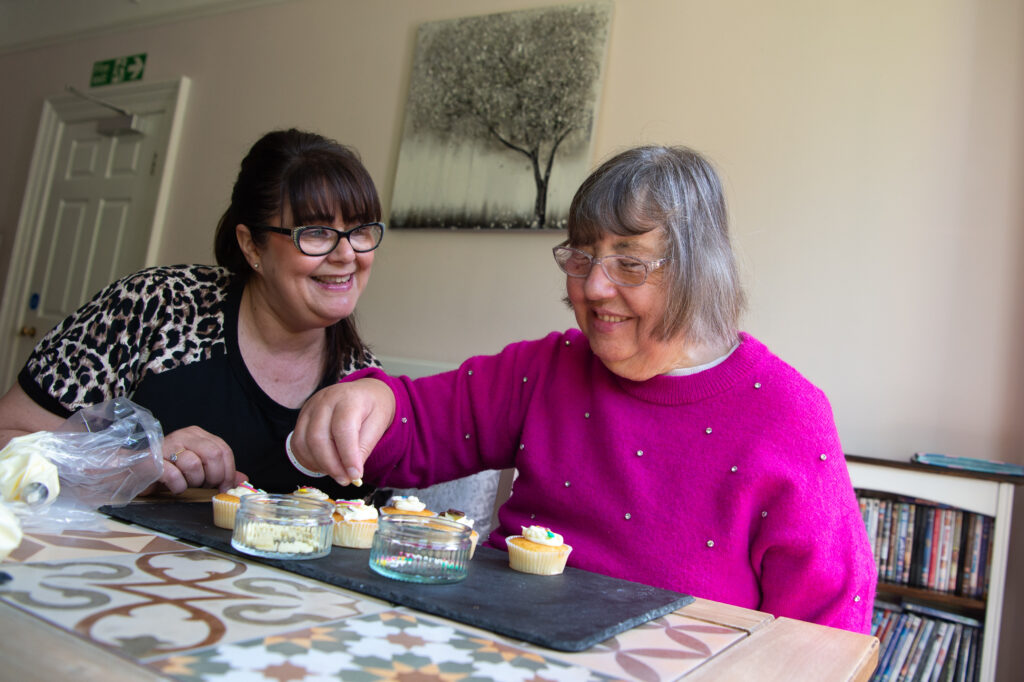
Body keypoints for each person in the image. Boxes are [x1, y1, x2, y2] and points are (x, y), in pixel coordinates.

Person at [289, 145, 877, 633]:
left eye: (628, 262)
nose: (592, 287)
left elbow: (825, 636)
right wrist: (372, 401)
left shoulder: (788, 416)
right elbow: (421, 422)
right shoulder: (548, 367)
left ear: (699, 269)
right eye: (581, 256)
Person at [0, 128, 383, 499]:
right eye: (316, 232)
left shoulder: (362, 380)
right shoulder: (156, 306)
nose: (347, 254)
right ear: (252, 247)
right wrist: (139, 465)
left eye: (361, 230)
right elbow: (8, 437)